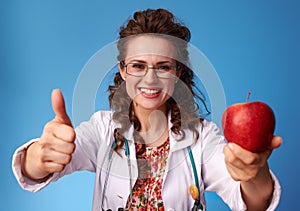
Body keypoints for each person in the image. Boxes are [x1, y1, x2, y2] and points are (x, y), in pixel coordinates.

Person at [12, 8, 282, 211]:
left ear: (177, 72)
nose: (150, 79)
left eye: (163, 67)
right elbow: (39, 167)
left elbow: (252, 200)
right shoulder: (102, 129)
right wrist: (39, 157)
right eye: (138, 66)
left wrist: (254, 172)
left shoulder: (201, 138)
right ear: (122, 69)